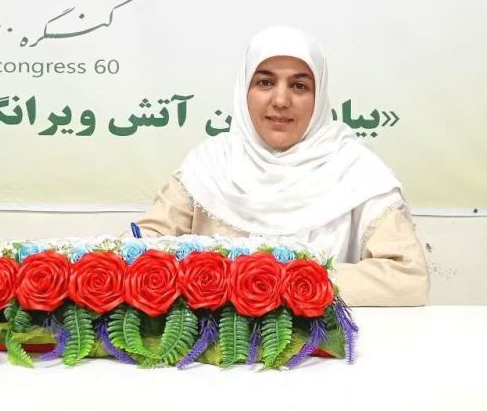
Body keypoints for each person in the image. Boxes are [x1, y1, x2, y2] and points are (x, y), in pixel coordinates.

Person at [136, 26, 429, 306]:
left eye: (299, 86)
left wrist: (283, 282)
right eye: (265, 83)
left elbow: (408, 276)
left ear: (318, 97)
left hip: (326, 340)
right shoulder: (208, 165)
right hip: (219, 341)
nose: (280, 100)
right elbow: (137, 250)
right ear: (244, 90)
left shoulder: (357, 171)